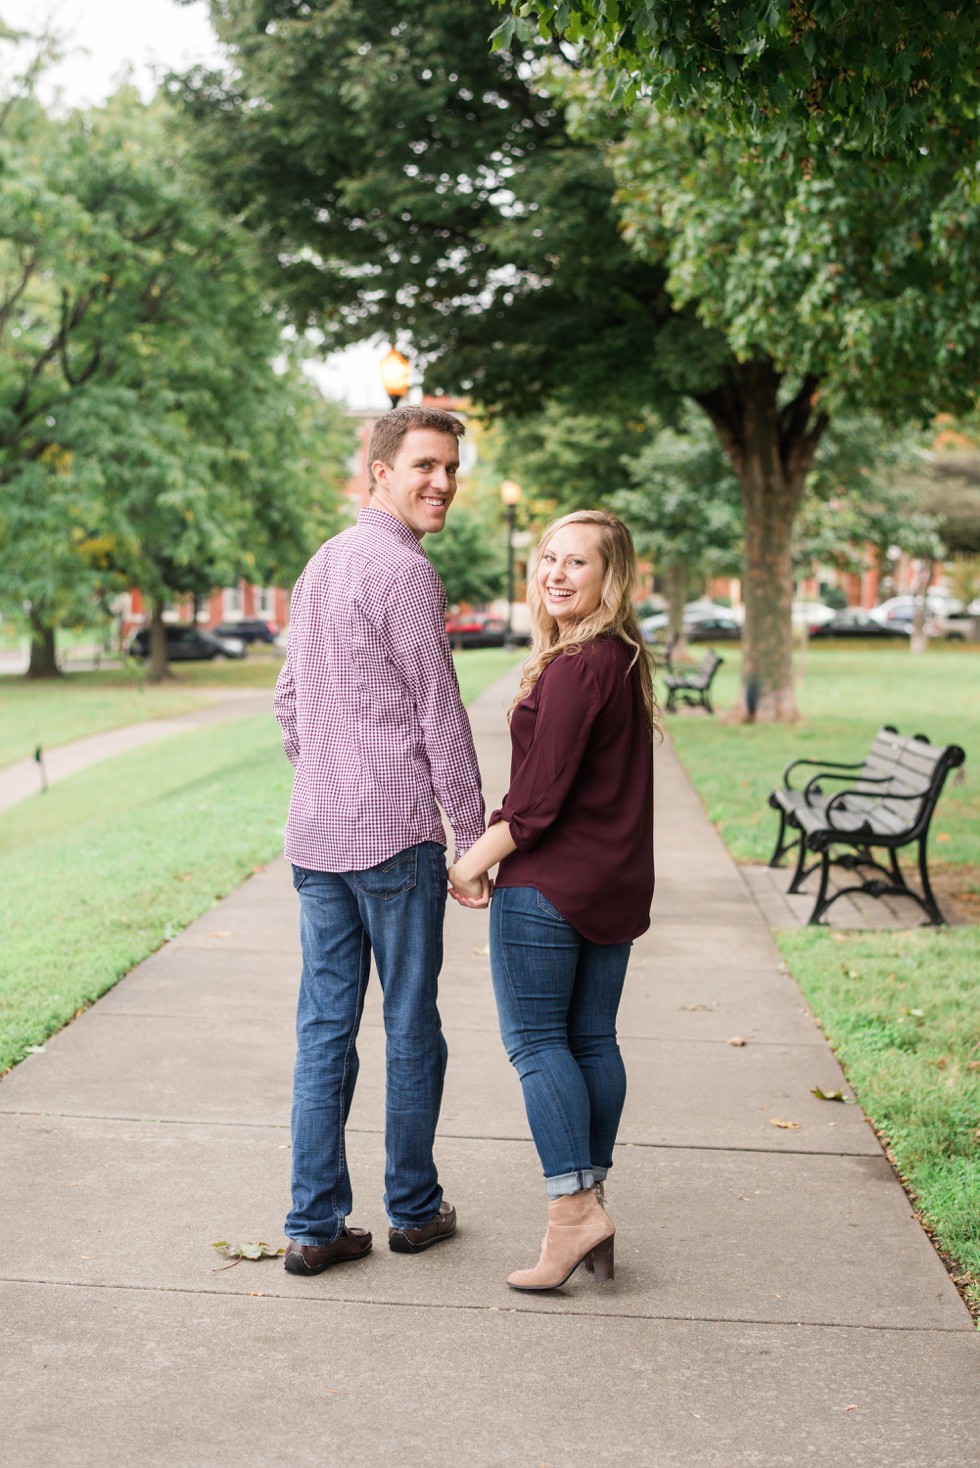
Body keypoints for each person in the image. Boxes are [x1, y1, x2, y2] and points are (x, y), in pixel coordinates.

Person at [274, 403, 490, 1277]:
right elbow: (440, 711)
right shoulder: (403, 569)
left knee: (325, 1029)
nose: (441, 483)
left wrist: (323, 764)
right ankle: (411, 1208)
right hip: (394, 838)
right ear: (382, 471)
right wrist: (474, 839)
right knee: (410, 1024)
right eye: (425, 467)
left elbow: (288, 702)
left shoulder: (323, 562)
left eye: (451, 469)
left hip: (317, 832)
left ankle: (313, 1223)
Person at [448, 509, 656, 1292]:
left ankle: (572, 1212)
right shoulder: (623, 657)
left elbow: (533, 807)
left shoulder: (576, 668)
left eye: (578, 563)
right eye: (548, 559)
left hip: (552, 885)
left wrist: (469, 866)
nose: (557, 574)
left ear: (611, 577)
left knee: (538, 1044)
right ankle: (592, 1206)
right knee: (592, 1040)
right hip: (613, 878)